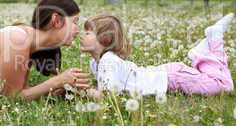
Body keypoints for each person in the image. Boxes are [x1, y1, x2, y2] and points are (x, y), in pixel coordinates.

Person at [80, 14, 234, 98]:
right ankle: (203, 50)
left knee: (223, 86)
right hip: (164, 73)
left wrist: (84, 90)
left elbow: (109, 97)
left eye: (87, 33)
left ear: (105, 39)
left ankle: (214, 38)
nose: (81, 35)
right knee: (210, 80)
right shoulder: (95, 63)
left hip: (174, 78)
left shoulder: (107, 61)